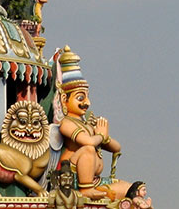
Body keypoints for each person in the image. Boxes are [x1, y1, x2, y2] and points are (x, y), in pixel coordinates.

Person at [56, 47, 133, 200]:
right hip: (74, 181)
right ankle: (86, 190)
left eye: (87, 97)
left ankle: (97, 190)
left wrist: (105, 137)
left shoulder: (88, 126)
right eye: (80, 98)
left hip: (96, 181)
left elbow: (117, 148)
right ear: (64, 99)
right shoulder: (66, 124)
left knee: (132, 190)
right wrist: (99, 135)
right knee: (88, 150)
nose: (87, 103)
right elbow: (89, 143)